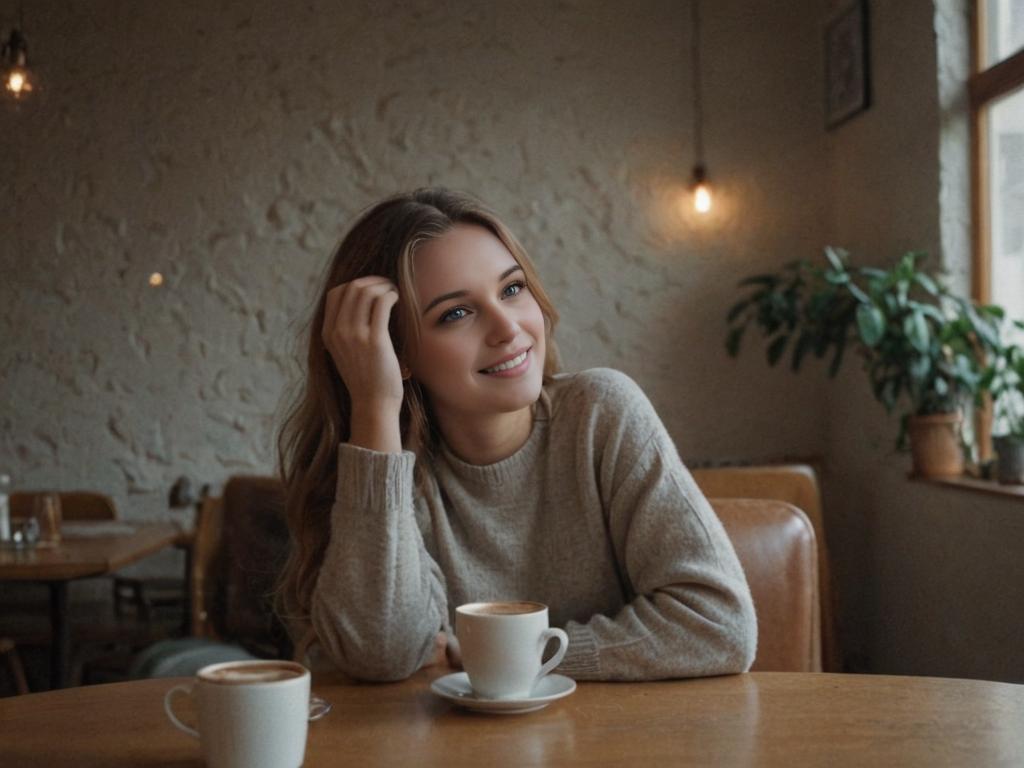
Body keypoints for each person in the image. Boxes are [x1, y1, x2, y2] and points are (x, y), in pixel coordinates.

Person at [277, 187, 756, 682]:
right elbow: (381, 653)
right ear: (394, 353)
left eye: (511, 289)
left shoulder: (603, 413)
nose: (508, 328)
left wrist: (505, 659)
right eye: (455, 314)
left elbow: (720, 627)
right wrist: (375, 405)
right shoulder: (382, 471)